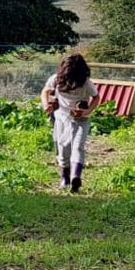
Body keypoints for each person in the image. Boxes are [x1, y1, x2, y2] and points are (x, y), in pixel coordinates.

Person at [41, 53, 97, 193]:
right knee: (63, 147)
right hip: (62, 118)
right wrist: (46, 105)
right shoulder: (56, 79)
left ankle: (75, 178)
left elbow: (96, 97)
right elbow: (45, 91)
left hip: (81, 120)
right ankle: (64, 178)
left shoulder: (86, 82)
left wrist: (87, 111)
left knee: (78, 147)